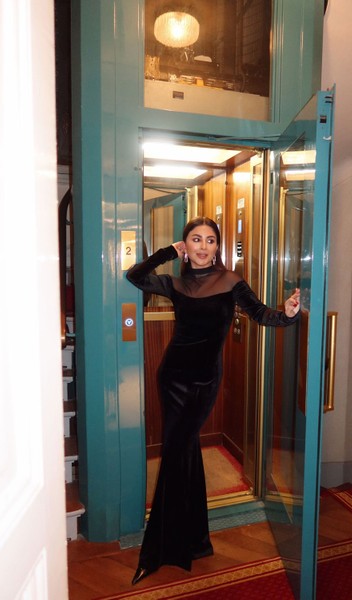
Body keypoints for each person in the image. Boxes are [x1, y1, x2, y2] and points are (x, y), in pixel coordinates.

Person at [126, 216, 300, 585]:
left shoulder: (231, 282)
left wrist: (286, 314)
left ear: (218, 247)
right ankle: (192, 542)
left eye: (210, 240)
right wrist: (166, 252)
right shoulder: (174, 283)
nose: (203, 246)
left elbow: (261, 314)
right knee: (182, 454)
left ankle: (160, 551)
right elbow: (135, 276)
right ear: (186, 246)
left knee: (176, 456)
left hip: (205, 382)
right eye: (195, 239)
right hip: (173, 379)